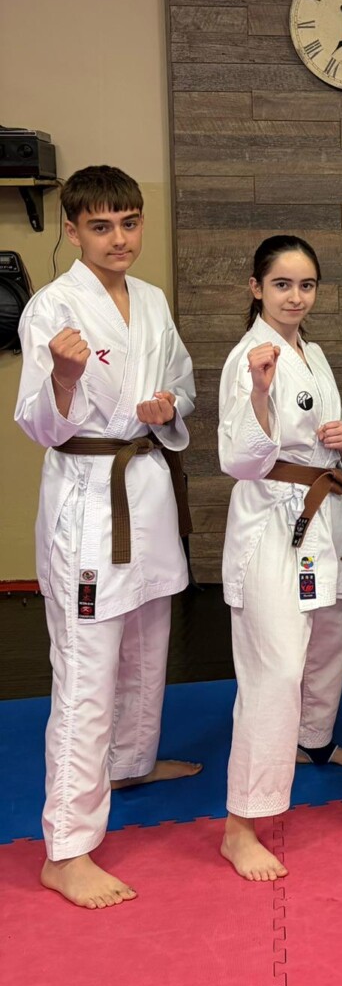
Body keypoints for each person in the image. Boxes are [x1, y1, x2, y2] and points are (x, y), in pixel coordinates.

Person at [14, 165, 200, 909]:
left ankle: (128, 762)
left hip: (145, 487)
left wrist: (168, 405)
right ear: (71, 230)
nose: (118, 238)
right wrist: (63, 379)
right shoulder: (51, 308)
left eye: (128, 222)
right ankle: (66, 848)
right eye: (100, 226)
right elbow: (37, 423)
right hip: (91, 502)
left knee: (148, 645)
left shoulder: (151, 300)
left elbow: (183, 379)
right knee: (86, 672)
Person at [218, 236, 342, 881]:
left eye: (306, 285)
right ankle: (240, 825)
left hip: (321, 514)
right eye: (282, 284)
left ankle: (315, 741)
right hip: (272, 522)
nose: (295, 297)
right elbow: (237, 458)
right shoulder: (248, 358)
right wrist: (258, 395)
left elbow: (334, 439)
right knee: (275, 667)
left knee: (329, 638)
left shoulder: (314, 352)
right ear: (256, 288)